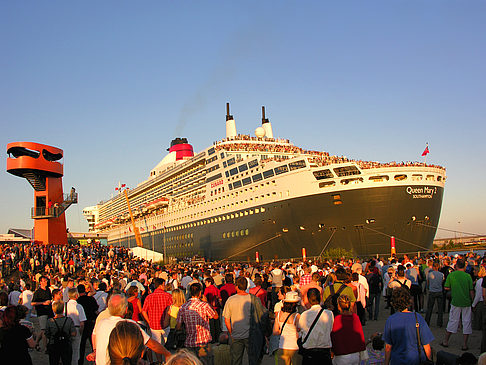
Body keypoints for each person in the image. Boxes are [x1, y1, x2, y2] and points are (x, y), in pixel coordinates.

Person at [89, 293, 171, 365]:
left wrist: (95, 351)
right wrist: (167, 353)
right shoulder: (130, 325)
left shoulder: (101, 323)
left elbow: (95, 337)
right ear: (126, 310)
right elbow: (151, 344)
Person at [223, 276, 267, 365]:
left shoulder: (230, 300)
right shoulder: (253, 299)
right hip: (251, 334)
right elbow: (262, 314)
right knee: (253, 359)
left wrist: (231, 333)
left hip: (236, 334)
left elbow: (226, 319)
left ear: (236, 286)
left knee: (236, 360)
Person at [383, 287, 433, 365]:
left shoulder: (390, 320)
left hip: (398, 360)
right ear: (408, 301)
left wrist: (386, 363)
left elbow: (388, 347)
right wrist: (430, 361)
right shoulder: (418, 318)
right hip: (416, 360)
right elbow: (426, 345)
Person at [176, 282, 218, 365]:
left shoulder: (183, 307)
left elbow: (178, 326)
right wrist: (208, 303)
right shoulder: (204, 305)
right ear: (200, 293)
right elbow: (215, 316)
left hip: (189, 341)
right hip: (203, 341)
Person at [441, 258, 474, 351]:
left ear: (456, 265)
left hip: (455, 301)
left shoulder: (452, 275)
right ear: (464, 266)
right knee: (467, 322)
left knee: (453, 321)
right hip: (466, 302)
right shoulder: (468, 276)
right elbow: (471, 290)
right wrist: (473, 301)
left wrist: (453, 288)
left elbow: (446, 287)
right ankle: (464, 344)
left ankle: (446, 341)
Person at [298, 288, 334, 365]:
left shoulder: (304, 315)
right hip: (324, 351)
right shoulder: (329, 314)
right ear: (320, 298)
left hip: (309, 352)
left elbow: (300, 332)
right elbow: (331, 330)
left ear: (308, 299)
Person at [142, 277, 172, 361]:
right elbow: (170, 310)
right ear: (161, 285)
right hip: (166, 325)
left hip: (154, 324)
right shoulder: (168, 296)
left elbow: (144, 311)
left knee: (157, 346)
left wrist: (148, 321)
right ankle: (168, 361)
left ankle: (159, 361)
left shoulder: (149, 297)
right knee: (167, 345)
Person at [330, 294, 366, 365]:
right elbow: (360, 337)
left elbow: (334, 337)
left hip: (342, 356)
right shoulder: (355, 317)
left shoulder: (337, 319)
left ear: (339, 306)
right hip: (355, 355)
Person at [272, 291, 301, 365]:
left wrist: (282, 331)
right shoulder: (297, 316)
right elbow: (299, 334)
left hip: (282, 346)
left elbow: (275, 332)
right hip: (295, 347)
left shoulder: (279, 314)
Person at [46, 300, 76, 365]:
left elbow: (47, 333)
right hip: (66, 343)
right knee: (67, 361)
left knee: (53, 362)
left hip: (53, 344)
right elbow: (74, 333)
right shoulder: (69, 320)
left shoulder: (50, 321)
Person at [77, 284, 99, 365]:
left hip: (83, 323)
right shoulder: (91, 299)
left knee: (81, 345)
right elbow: (96, 309)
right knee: (94, 344)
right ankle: (96, 360)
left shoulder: (78, 301)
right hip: (91, 323)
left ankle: (80, 362)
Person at [31, 275, 54, 351]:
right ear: (40, 282)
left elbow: (50, 299)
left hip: (49, 312)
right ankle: (46, 347)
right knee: (44, 330)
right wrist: (43, 303)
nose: (46, 282)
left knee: (44, 329)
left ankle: (36, 343)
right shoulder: (37, 292)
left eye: (46, 280)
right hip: (42, 312)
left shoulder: (48, 290)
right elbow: (33, 303)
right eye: (44, 281)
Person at [66, 287, 86, 365]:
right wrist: (81, 331)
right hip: (76, 328)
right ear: (76, 295)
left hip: (66, 328)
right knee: (75, 351)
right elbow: (82, 322)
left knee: (67, 350)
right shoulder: (79, 306)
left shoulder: (65, 305)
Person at [425, 262, 444, 327]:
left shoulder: (429, 274)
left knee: (429, 308)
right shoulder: (441, 274)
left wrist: (428, 288)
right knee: (440, 308)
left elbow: (427, 283)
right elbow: (442, 282)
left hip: (432, 291)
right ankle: (439, 323)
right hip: (439, 291)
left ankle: (427, 321)